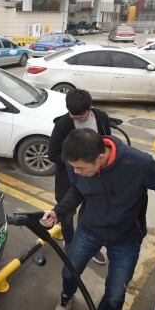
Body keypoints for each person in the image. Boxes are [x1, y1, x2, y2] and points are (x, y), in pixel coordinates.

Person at [42, 128, 155, 310]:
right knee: (70, 271)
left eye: (80, 169)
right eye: (73, 168)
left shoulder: (138, 163)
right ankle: (67, 295)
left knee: (116, 296)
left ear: (100, 158)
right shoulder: (76, 162)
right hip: (90, 229)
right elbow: (76, 190)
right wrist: (58, 212)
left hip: (126, 237)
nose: (75, 172)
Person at [48, 89, 112, 265]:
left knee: (91, 213)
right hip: (69, 181)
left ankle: (91, 245)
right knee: (67, 213)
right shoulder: (62, 125)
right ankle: (70, 242)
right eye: (73, 116)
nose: (77, 119)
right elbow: (52, 153)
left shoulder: (101, 117)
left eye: (81, 117)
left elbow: (109, 143)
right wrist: (75, 162)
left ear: (90, 107)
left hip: (96, 177)